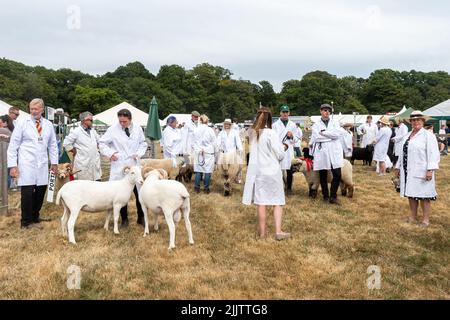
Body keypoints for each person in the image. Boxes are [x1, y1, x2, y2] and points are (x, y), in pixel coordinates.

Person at [7, 98, 58, 229]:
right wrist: (13, 165)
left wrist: (54, 162)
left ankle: (35, 216)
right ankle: (26, 222)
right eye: (31, 109)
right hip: (26, 163)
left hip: (42, 163)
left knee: (41, 191)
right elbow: (13, 145)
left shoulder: (48, 124)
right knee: (27, 193)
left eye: (36, 109)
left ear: (42, 109)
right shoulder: (23, 123)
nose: (33, 111)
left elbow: (52, 145)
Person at [242, 107, 290, 240]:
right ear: (270, 118)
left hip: (259, 172)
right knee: (277, 202)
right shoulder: (270, 133)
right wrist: (285, 146)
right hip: (272, 172)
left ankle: (262, 234)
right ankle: (278, 231)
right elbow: (280, 154)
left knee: (261, 202)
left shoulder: (252, 134)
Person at [99, 108, 147, 227]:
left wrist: (139, 153)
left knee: (139, 192)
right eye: (120, 121)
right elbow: (102, 143)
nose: (122, 123)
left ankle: (141, 217)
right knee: (121, 194)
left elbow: (143, 143)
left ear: (130, 119)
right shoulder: (112, 129)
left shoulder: (138, 129)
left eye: (124, 121)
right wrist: (111, 154)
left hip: (134, 164)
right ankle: (124, 219)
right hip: (119, 165)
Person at [395, 111, 440, 228]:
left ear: (423, 121)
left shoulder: (428, 135)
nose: (416, 122)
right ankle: (413, 216)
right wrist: (398, 166)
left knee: (424, 195)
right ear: (410, 122)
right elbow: (402, 152)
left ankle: (425, 220)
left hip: (422, 169)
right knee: (411, 193)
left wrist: (430, 169)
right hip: (408, 170)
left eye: (418, 120)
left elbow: (433, 153)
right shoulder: (407, 135)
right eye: (413, 120)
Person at [311, 104, 343, 204]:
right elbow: (316, 137)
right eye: (325, 110)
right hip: (322, 152)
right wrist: (330, 136)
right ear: (320, 111)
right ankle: (326, 195)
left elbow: (337, 134)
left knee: (337, 174)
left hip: (334, 151)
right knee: (323, 175)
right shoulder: (316, 125)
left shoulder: (335, 123)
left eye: (329, 111)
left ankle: (333, 196)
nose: (327, 112)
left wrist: (324, 133)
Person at [63, 111, 102, 181]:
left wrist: (98, 149)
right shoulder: (76, 131)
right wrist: (73, 150)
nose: (92, 122)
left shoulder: (93, 131)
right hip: (83, 162)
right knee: (84, 187)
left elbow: (100, 141)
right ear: (84, 120)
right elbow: (66, 143)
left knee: (97, 185)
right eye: (91, 120)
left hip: (94, 162)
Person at [272, 105, 302, 195]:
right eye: (283, 112)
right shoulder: (274, 125)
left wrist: (291, 136)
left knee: (289, 170)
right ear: (280, 113)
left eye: (286, 112)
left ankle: (289, 188)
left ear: (289, 113)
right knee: (278, 170)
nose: (285, 114)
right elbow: (273, 138)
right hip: (278, 149)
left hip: (288, 150)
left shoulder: (292, 125)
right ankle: (278, 188)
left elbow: (297, 138)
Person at [192, 115, 216, 193]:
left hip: (198, 152)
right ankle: (206, 188)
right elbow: (214, 142)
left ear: (200, 121)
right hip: (208, 152)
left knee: (198, 171)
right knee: (207, 171)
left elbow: (193, 142)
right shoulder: (210, 130)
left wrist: (198, 149)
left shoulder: (196, 129)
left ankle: (197, 188)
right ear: (207, 121)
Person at [217, 118, 244, 183]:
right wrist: (217, 147)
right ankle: (225, 180)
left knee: (239, 165)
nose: (226, 125)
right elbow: (218, 142)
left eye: (228, 124)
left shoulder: (234, 132)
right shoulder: (221, 133)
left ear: (230, 125)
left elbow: (238, 141)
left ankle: (237, 177)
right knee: (221, 167)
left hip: (232, 153)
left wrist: (240, 149)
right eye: (225, 124)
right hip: (224, 153)